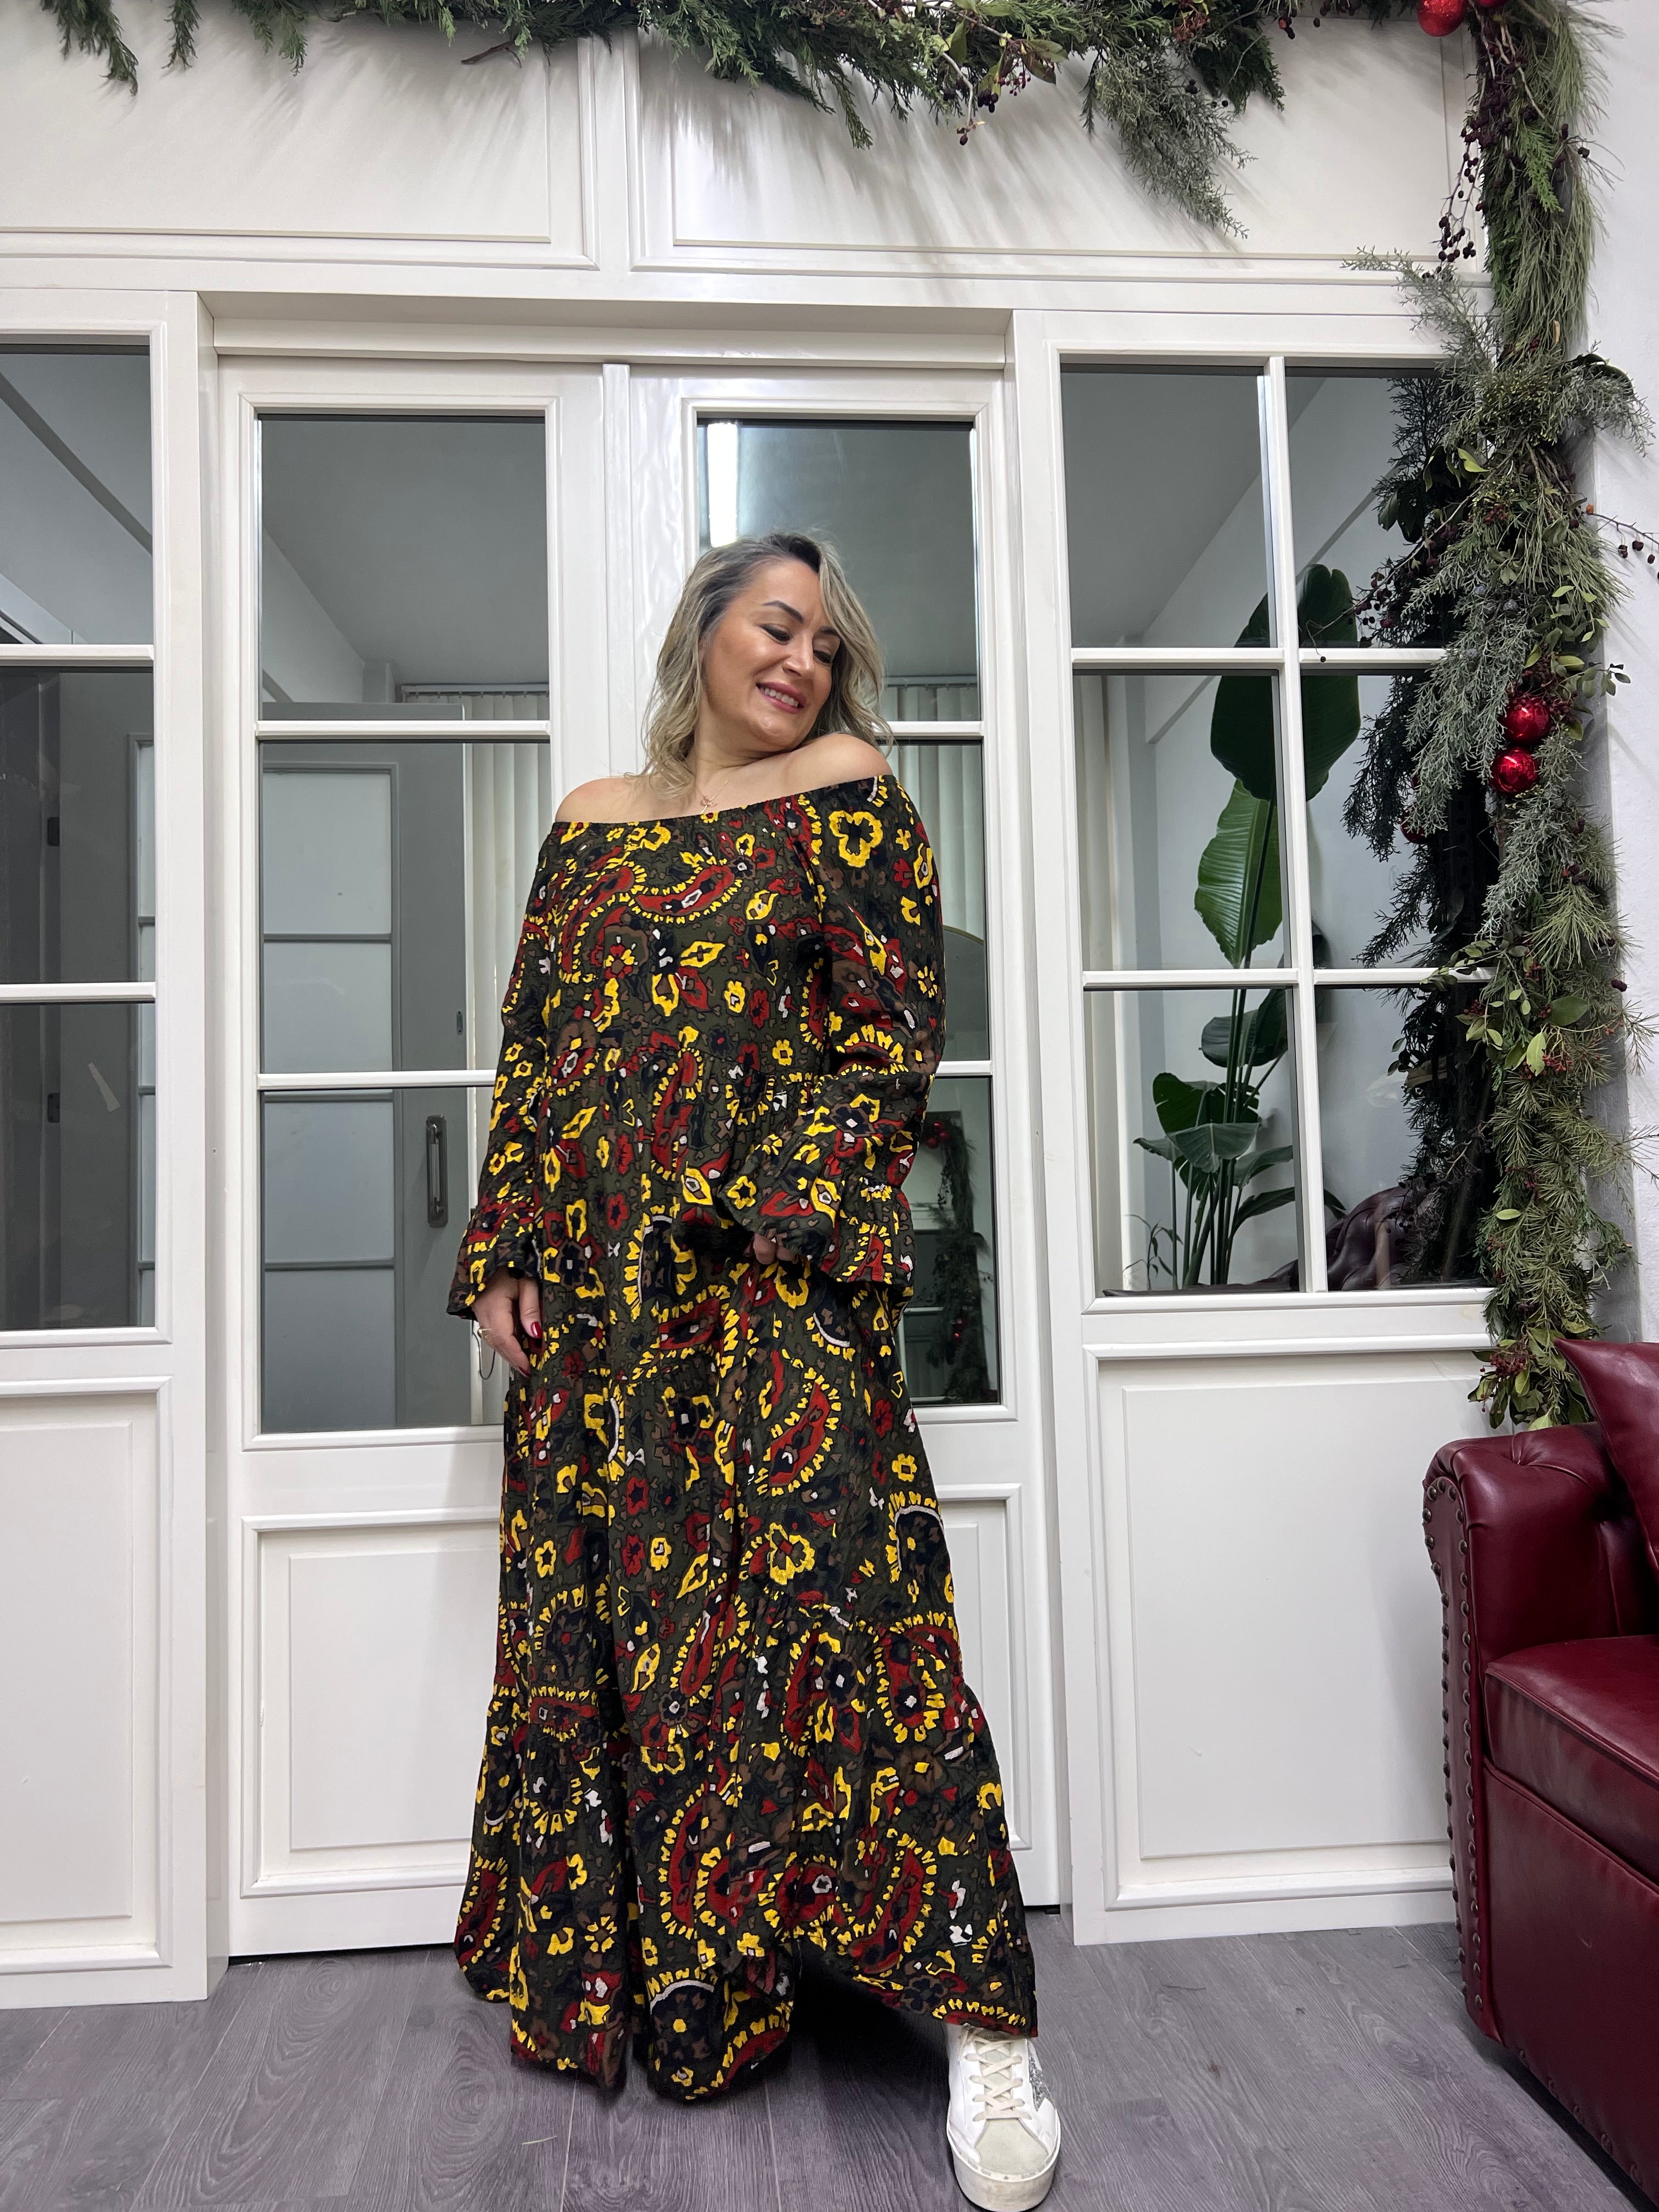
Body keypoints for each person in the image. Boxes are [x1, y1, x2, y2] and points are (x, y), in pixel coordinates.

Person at [448, 529, 1060, 2210]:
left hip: (775, 1286)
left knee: (865, 1627)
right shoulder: (590, 822)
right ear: (706, 629)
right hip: (604, 1312)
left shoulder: (845, 793)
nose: (803, 663)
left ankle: (989, 2031)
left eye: (827, 646)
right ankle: (706, 1985)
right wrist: (510, 1249)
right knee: (651, 1636)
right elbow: (539, 1054)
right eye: (778, 627)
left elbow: (891, 1038)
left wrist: (753, 1209)